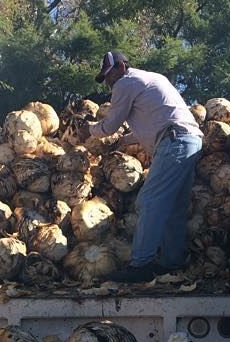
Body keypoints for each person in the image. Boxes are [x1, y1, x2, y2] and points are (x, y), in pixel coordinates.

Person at [79, 50, 203, 283]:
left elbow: (110, 125)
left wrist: (90, 129)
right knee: (175, 207)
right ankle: (170, 262)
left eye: (109, 74)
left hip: (174, 142)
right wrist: (122, 141)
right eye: (105, 77)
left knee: (149, 200)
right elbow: (155, 123)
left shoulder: (126, 83)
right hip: (190, 140)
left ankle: (140, 265)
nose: (108, 81)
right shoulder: (153, 79)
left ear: (122, 67)